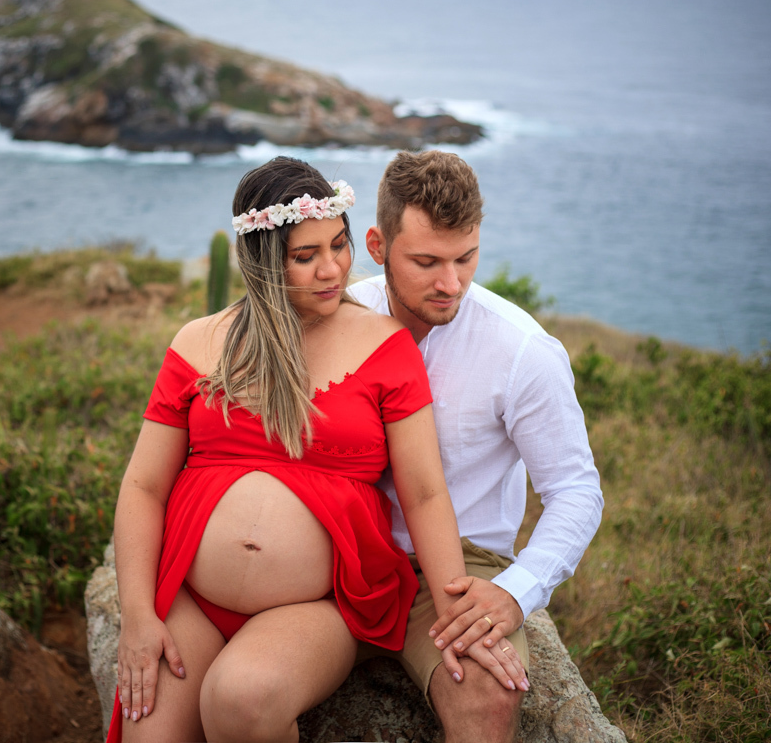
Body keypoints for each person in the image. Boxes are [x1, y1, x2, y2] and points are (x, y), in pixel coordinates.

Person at [108, 157, 526, 743]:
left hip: (318, 604)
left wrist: (457, 610)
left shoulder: (386, 346)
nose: (332, 270)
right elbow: (144, 486)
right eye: (306, 256)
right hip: (190, 599)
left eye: (339, 245)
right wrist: (137, 616)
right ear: (261, 260)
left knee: (240, 699)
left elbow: (425, 492)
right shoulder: (196, 342)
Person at [350, 150, 604, 742]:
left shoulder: (522, 350)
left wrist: (517, 594)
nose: (451, 283)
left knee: (490, 698)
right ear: (377, 244)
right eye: (427, 261)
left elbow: (574, 490)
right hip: (343, 554)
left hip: (461, 570)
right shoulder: (338, 318)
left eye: (466, 258)